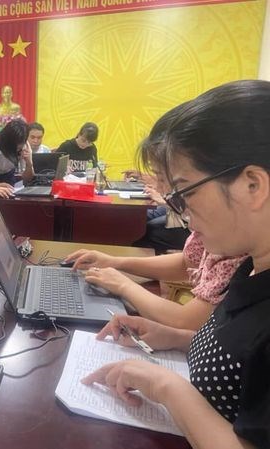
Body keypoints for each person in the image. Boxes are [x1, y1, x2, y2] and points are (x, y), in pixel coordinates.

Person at [82, 80, 270, 449]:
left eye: (184, 193)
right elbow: (238, 359)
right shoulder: (250, 265)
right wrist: (172, 338)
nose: (182, 215)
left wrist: (165, 386)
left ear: (252, 185)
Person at [64, 104, 246, 330]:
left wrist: (123, 284)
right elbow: (188, 260)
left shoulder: (237, 247)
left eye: (182, 188)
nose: (163, 190)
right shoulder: (221, 233)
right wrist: (114, 262)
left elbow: (188, 321)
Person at [0, 119, 35, 186]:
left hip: (8, 177)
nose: (18, 148)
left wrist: (29, 163)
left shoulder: (24, 147)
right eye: (14, 146)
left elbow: (27, 178)